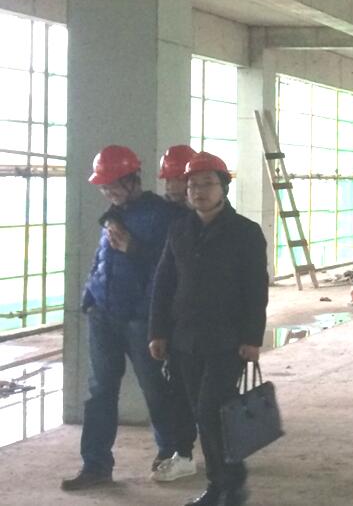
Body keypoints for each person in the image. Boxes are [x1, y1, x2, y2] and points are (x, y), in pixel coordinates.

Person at [149, 152, 269, 506]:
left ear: (223, 188)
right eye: (192, 185)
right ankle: (222, 486)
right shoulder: (180, 230)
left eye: (207, 184)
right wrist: (158, 332)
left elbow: (256, 289)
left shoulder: (245, 232)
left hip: (227, 341)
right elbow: (163, 283)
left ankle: (230, 483)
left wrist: (252, 338)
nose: (198, 191)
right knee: (206, 415)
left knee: (210, 410)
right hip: (185, 339)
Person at [61, 145, 183, 491]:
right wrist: (89, 298)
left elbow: (173, 267)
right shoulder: (114, 214)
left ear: (132, 180)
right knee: (100, 391)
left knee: (154, 388)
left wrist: (135, 248)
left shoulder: (162, 215)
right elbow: (102, 260)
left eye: (113, 184)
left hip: (141, 319)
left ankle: (170, 453)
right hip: (104, 315)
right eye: (104, 187)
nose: (108, 192)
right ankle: (96, 465)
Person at [148, 144, 200, 483]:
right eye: (167, 181)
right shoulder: (167, 220)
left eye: (176, 180)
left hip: (213, 325)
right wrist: (159, 329)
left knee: (212, 395)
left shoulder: (223, 224)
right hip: (178, 322)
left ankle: (225, 452)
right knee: (178, 393)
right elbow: (163, 281)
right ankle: (181, 451)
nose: (171, 188)